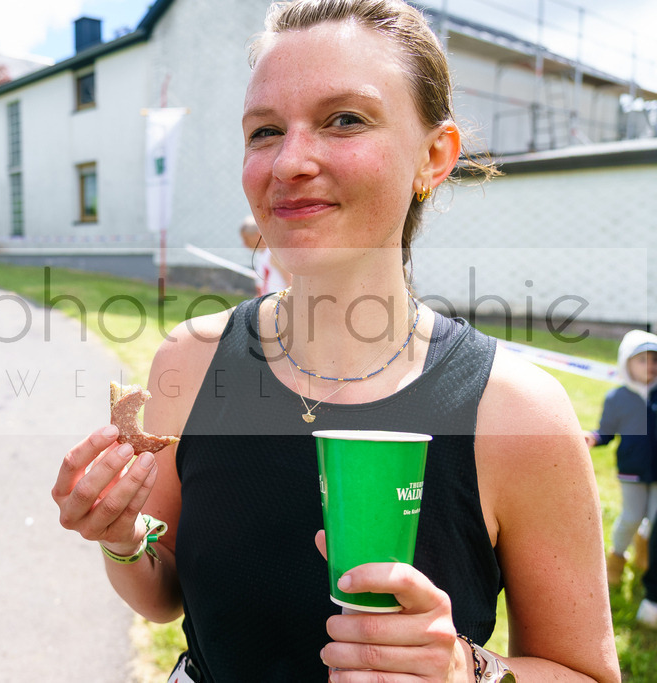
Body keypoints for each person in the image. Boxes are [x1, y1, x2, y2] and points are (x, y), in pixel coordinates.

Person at [52, 1, 619, 681]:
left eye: (344, 119)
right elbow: (164, 593)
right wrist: (120, 540)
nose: (289, 161)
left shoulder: (517, 413)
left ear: (434, 156)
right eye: (264, 131)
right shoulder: (191, 362)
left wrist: (465, 668)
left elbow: (585, 671)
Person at [585, 330, 657, 586]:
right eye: (642, 360)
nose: (649, 366)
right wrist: (594, 438)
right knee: (632, 517)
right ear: (626, 362)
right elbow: (606, 432)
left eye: (654, 360)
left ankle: (645, 551)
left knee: (654, 517)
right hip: (632, 470)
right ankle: (616, 557)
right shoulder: (617, 398)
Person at [240, 213, 291, 295]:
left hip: (279, 303)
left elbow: (291, 283)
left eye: (246, 238)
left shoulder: (273, 254)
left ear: (258, 235)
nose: (244, 244)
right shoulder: (261, 255)